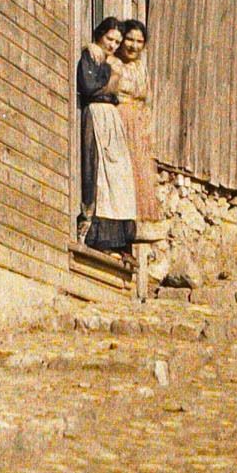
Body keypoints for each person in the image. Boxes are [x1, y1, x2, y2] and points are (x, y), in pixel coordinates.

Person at [76, 17, 137, 255]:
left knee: (119, 176)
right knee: (101, 174)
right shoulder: (91, 56)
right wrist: (109, 82)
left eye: (117, 41)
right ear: (100, 35)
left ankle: (119, 241)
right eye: (109, 39)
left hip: (111, 117)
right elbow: (89, 86)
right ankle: (98, 237)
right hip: (98, 114)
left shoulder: (110, 62)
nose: (112, 45)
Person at [114, 20, 165, 288]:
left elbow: (146, 97)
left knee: (140, 179)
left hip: (138, 126)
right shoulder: (114, 63)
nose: (133, 46)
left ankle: (139, 241)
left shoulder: (141, 67)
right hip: (120, 120)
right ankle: (119, 237)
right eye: (130, 40)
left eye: (139, 42)